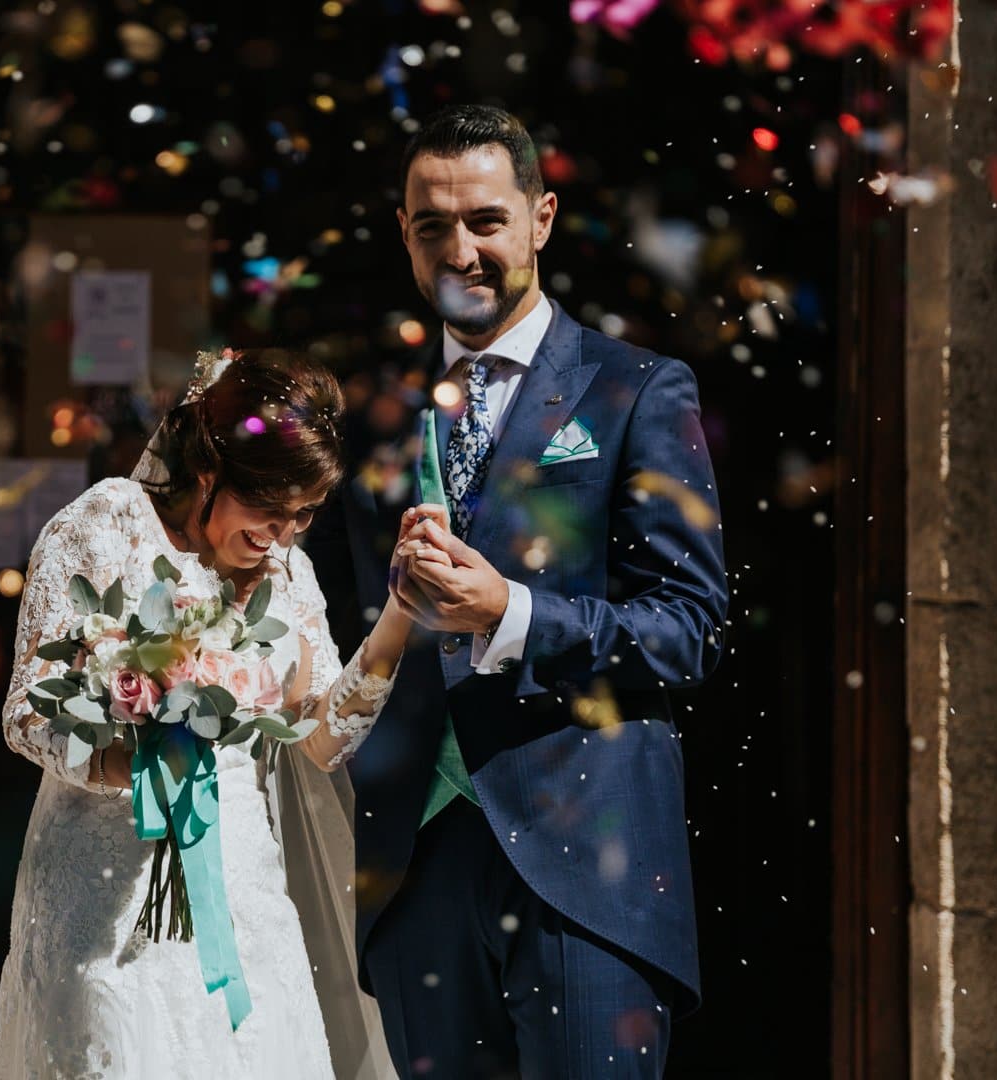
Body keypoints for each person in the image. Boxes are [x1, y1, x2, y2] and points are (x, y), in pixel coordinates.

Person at [303, 104, 729, 1077]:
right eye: (432, 226)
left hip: (589, 862)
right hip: (411, 863)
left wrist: (513, 613)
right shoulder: (374, 411)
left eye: (486, 220)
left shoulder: (637, 390)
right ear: (403, 234)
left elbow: (688, 629)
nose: (462, 249)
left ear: (540, 217)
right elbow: (315, 613)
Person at [0, 350, 405, 1078]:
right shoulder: (108, 523)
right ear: (211, 471)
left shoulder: (287, 572)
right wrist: (136, 760)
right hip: (106, 891)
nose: (282, 535)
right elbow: (27, 712)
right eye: (269, 511)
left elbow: (320, 740)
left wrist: (399, 620)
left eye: (303, 516)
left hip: (245, 901)